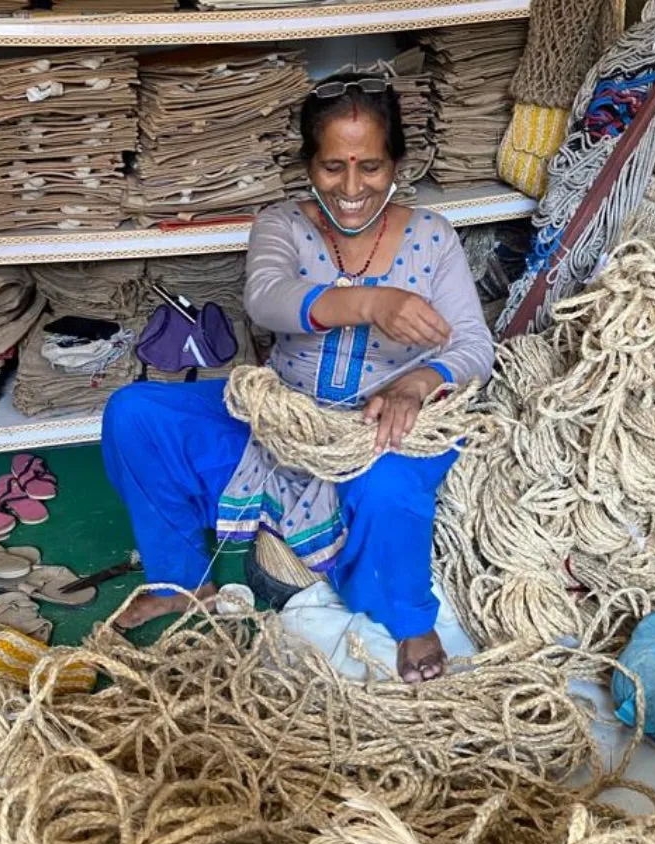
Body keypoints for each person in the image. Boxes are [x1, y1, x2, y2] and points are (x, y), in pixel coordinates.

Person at [102, 74, 494, 682]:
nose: (354, 187)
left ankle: (410, 619)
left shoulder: (432, 237)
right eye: (333, 166)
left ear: (397, 164)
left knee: (389, 486)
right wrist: (371, 303)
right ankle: (178, 581)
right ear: (309, 164)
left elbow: (474, 343)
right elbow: (267, 300)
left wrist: (419, 383)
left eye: (372, 166)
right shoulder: (281, 225)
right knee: (136, 414)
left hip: (384, 417)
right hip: (284, 414)